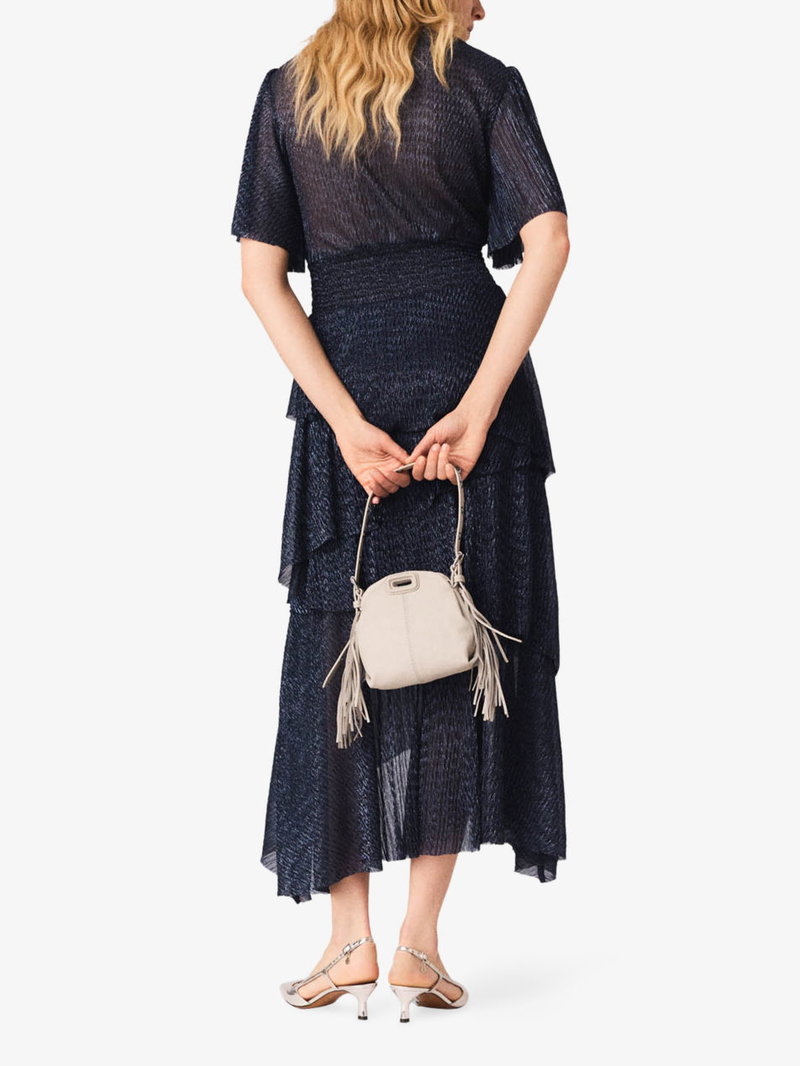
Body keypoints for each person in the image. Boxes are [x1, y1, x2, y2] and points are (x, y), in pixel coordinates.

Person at [231, 0, 570, 1021]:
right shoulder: (484, 87)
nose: (486, 5)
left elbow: (259, 277)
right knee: (463, 651)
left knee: (338, 659)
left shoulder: (288, 96)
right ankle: (419, 943)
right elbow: (548, 239)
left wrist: (343, 422)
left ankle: (350, 943)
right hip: (471, 386)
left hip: (350, 390)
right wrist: (480, 405)